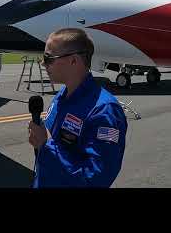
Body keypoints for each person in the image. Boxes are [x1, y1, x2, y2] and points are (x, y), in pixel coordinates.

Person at [28, 28, 127, 188]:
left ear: (73, 61)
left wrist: (46, 145)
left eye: (49, 58)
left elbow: (96, 178)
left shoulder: (104, 110)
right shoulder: (61, 95)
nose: (43, 63)